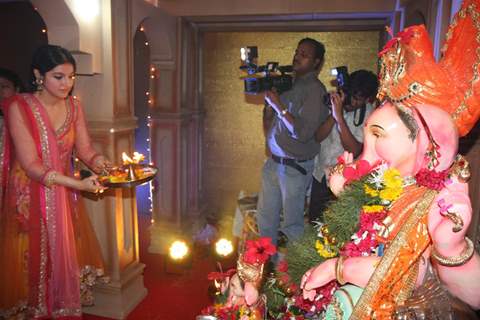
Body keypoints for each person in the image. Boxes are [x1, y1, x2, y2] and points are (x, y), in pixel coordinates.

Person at [300, 5, 480, 317]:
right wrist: (344, 187)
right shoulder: (387, 184)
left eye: (378, 136)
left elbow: (408, 276)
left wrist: (453, 249)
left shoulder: (434, 200)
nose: (367, 153)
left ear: (428, 146)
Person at [0, 45, 110, 319]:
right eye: (58, 77)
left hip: (63, 195)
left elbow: (84, 150)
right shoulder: (19, 106)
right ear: (38, 75)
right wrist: (78, 185)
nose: (67, 84)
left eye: (71, 77)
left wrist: (100, 162)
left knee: (61, 258)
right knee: (31, 260)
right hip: (29, 193)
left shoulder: (74, 106)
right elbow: (32, 166)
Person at [256, 37, 329, 246]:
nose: (297, 57)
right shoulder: (288, 83)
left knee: (292, 226)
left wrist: (279, 106)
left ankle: (295, 276)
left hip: (294, 169)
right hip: (273, 163)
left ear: (316, 62)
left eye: (304, 55)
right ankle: (264, 271)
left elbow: (303, 133)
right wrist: (269, 105)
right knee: (265, 221)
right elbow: (269, 126)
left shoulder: (315, 90)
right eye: (297, 52)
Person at [308, 70, 379, 222]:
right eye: (352, 96)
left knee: (335, 227)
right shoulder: (334, 102)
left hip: (344, 180)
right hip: (320, 174)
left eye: (358, 99)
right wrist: (334, 112)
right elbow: (318, 136)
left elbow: (354, 150)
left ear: (367, 99)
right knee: (315, 223)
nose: (353, 102)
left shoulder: (369, 114)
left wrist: (339, 117)